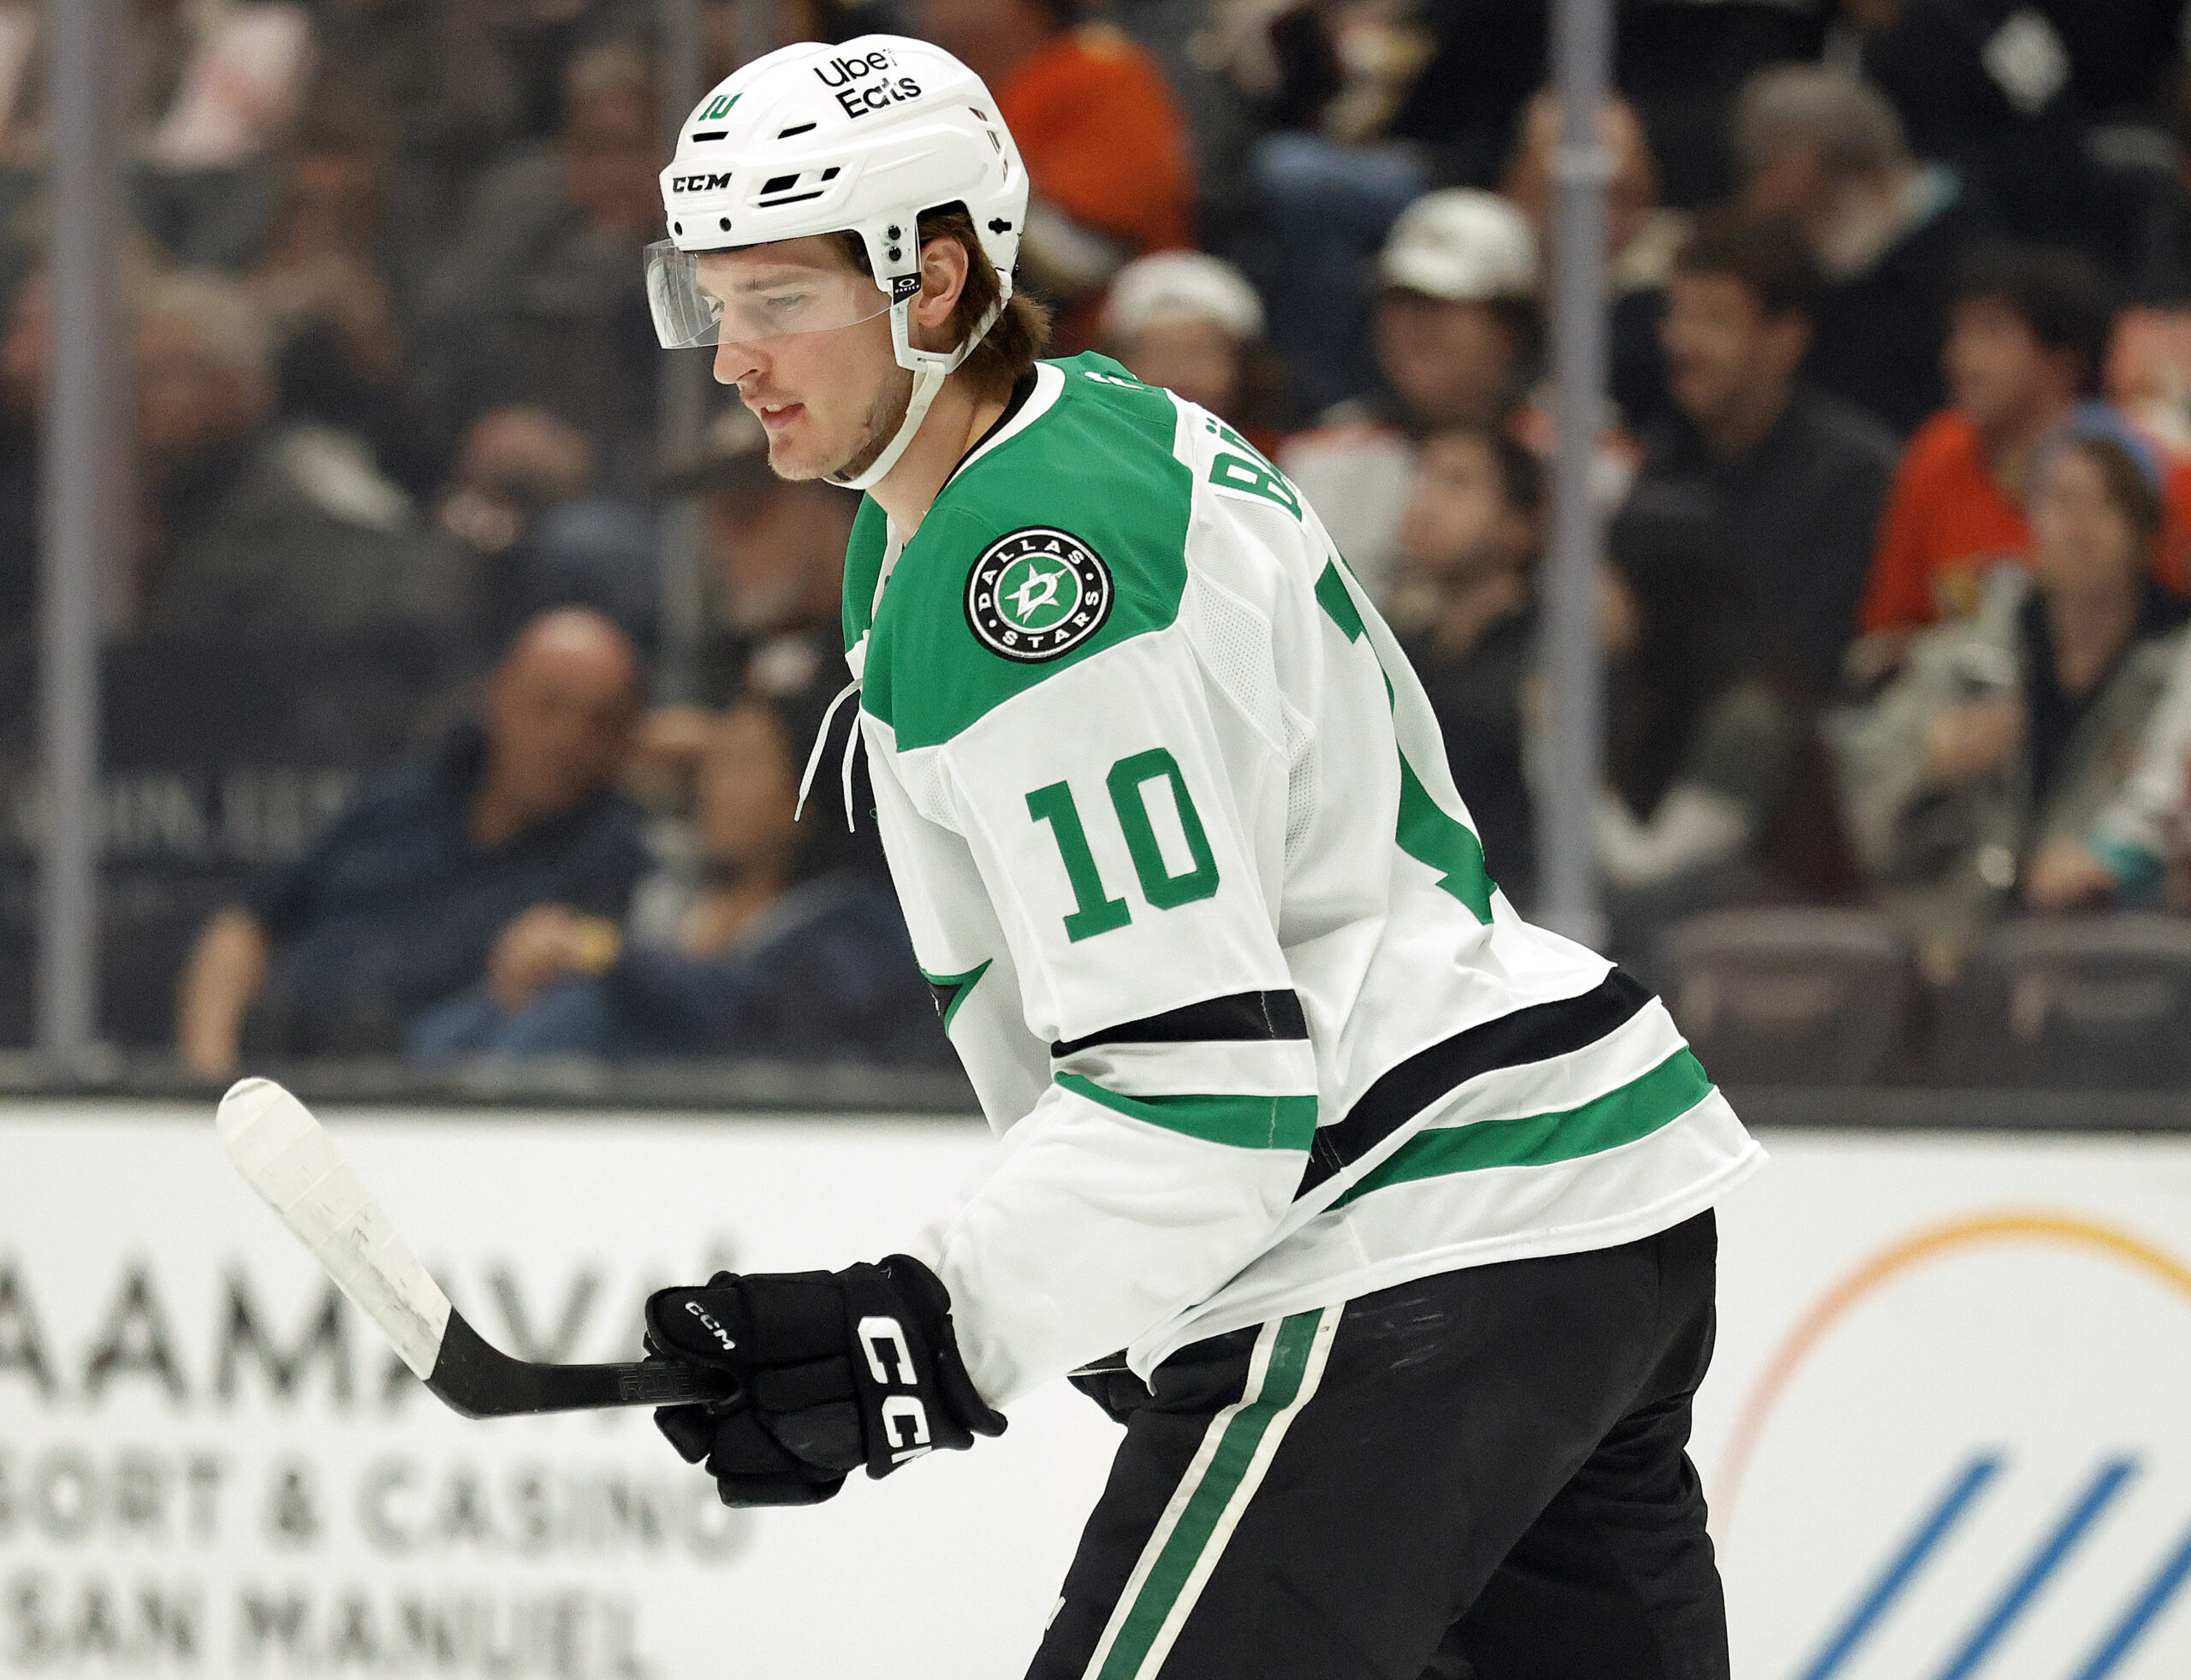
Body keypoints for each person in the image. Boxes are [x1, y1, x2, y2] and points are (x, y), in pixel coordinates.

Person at [628, 38, 1760, 1679]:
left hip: (1408, 1231)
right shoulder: (1057, 443)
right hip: (1575, 1198)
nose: (730, 357)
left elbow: (1202, 1087)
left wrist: (921, 1328)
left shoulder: (1023, 574)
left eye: (778, 300)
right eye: (708, 299)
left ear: (933, 280)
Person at [174, 608, 651, 1073]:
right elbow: (243, 930)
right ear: (498, 697)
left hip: (432, 1112)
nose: (567, 738)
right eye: (548, 706)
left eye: (599, 722)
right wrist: (213, 1077)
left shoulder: (616, 856)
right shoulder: (404, 799)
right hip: (277, 1085)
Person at [407, 691, 941, 1065]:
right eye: (711, 765)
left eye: (740, 765)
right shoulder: (659, 897)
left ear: (802, 795)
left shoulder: (853, 932)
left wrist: (598, 953)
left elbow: (749, 1013)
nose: (712, 786)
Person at [1838, 431, 2186, 980]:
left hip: (2110, 959)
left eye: (2107, 504)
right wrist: (1933, 773)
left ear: (2146, 530)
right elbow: (1860, 818)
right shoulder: (1969, 651)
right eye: (2061, 501)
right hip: (1950, 951)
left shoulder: (2178, 672)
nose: (2080, 527)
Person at [1856, 244, 2191, 659]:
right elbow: (1889, 627)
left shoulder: (2156, 472)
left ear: (2065, 360)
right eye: (1959, 334)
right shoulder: (1937, 451)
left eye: (1991, 334)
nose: (1961, 358)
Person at [1631, 207, 1900, 696]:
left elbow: (1813, 660)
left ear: (1785, 338)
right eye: (1677, 314)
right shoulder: (1662, 458)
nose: (1680, 343)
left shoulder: (1853, 475)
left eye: (1713, 319)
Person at [131, 270, 450, 636]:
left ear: (242, 384)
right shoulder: (126, 504)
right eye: (138, 374)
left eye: (169, 373)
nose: (144, 396)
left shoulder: (306, 486)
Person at [1281, 187, 1541, 605]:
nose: (1412, 327)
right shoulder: (1321, 456)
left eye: (1440, 304)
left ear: (1511, 325)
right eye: (1397, 302)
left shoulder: (1583, 454)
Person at [909, 0, 1194, 352]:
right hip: (985, 326)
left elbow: (1094, 258)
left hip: (1119, 333)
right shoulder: (930, 90)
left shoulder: (1102, 72)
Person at [1732, 63, 1979, 437]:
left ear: (1803, 162)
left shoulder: (1956, 251)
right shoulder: (1811, 263)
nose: (1752, 195)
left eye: (1762, 167)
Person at [1390, 425, 1543, 911]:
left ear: (1521, 524)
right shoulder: (1399, 652)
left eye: (1457, 485)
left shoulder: (1552, 655)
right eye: (1423, 480)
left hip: (1525, 905)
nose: (1426, 504)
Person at [1099, 249, 1286, 454]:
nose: (1181, 376)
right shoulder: (1088, 458)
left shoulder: (1284, 461)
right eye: (1160, 355)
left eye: (1199, 353)